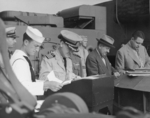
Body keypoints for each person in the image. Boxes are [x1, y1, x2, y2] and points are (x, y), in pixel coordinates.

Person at [10, 26, 52, 96]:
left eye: (39, 46)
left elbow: (28, 81)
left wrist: (45, 83)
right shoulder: (19, 61)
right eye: (36, 46)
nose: (37, 50)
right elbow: (22, 87)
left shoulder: (22, 58)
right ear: (26, 42)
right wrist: (45, 85)